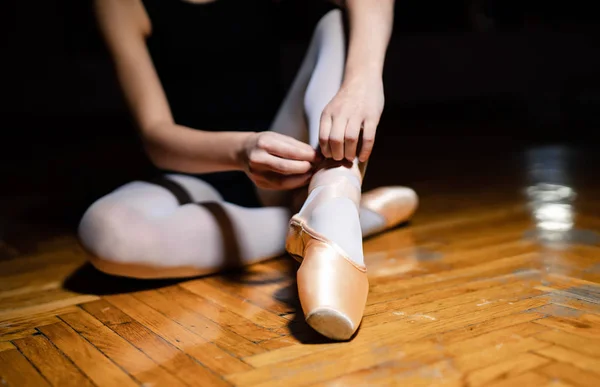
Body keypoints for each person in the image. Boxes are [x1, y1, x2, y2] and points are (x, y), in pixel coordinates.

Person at [79, 0, 418, 340]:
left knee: (336, 22)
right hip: (196, 169)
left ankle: (334, 195)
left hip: (287, 156)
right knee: (107, 232)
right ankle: (342, 220)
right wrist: (242, 150)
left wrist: (363, 82)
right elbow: (155, 136)